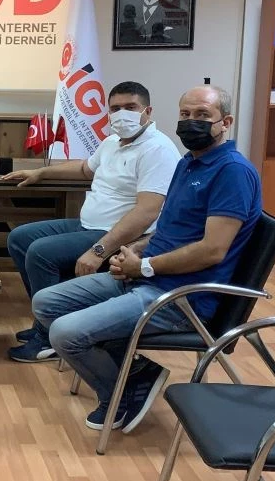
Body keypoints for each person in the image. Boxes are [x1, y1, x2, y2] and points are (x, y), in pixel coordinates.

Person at [33, 85, 261, 433]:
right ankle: (138, 372)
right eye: (185, 114)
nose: (191, 122)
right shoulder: (189, 163)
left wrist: (144, 266)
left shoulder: (232, 172)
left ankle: (121, 392)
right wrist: (138, 249)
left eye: (202, 115)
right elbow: (171, 229)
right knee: (46, 303)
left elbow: (212, 249)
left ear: (225, 122)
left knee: (65, 333)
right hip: (144, 276)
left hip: (180, 298)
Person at [3, 81, 180, 363]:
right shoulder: (112, 142)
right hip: (88, 225)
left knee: (41, 252)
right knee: (20, 238)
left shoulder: (158, 150)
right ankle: (48, 320)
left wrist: (98, 250)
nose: (122, 114)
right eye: (115, 109)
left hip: (120, 237)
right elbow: (86, 169)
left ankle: (48, 338)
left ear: (147, 111)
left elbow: (147, 212)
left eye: (130, 107)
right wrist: (41, 173)